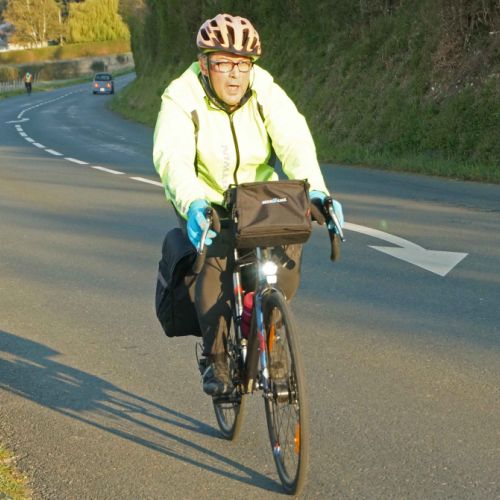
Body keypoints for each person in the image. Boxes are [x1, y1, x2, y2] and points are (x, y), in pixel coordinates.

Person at [153, 13, 344, 396]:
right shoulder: (181, 96)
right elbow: (172, 158)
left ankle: (270, 330)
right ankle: (217, 357)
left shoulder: (264, 89)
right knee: (214, 263)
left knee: (284, 258)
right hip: (206, 198)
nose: (236, 75)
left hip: (260, 198)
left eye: (243, 64)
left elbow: (294, 140)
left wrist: (317, 192)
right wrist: (192, 202)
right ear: (205, 64)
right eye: (224, 64)